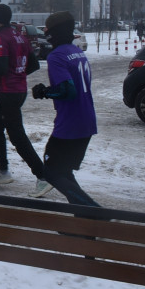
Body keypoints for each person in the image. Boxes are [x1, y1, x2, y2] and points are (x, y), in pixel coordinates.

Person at [30, 11, 101, 206]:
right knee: (63, 171)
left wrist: (44, 92)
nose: (46, 34)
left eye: (47, 30)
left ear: (54, 33)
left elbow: (67, 90)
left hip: (70, 123)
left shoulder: (56, 56)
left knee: (51, 172)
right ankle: (83, 215)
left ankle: (93, 211)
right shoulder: (76, 52)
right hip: (86, 120)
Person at [0, 3, 46, 191]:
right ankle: (3, 170)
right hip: (19, 90)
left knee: (17, 136)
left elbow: (1, 69)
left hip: (8, 93)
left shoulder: (1, 38)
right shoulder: (20, 36)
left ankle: (42, 175)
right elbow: (34, 65)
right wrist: (18, 74)